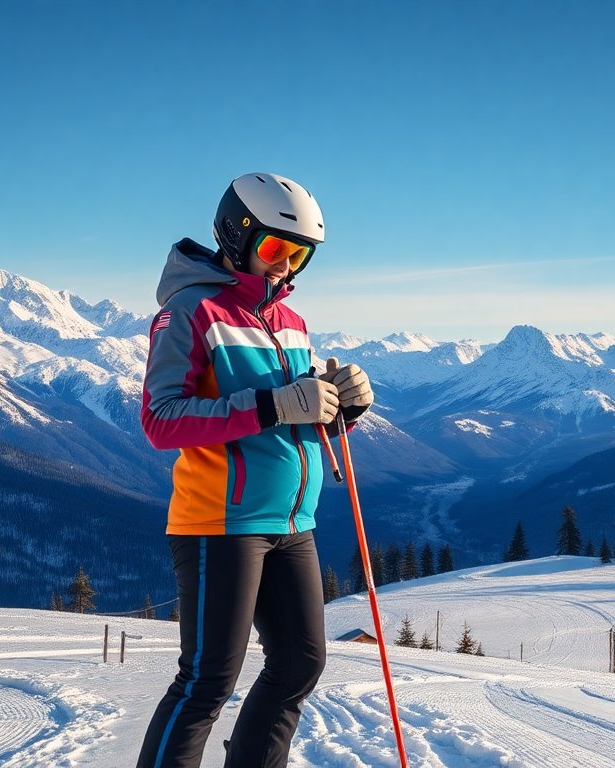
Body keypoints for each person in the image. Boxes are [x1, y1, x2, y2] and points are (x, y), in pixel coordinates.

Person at [136, 172, 374, 768]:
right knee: (208, 682)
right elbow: (162, 421)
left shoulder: (291, 323)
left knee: (300, 662)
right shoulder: (192, 311)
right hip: (221, 522)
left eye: (301, 255)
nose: (286, 266)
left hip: (294, 522)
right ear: (236, 235)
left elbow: (299, 423)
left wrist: (342, 408)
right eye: (275, 248)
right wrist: (273, 404)